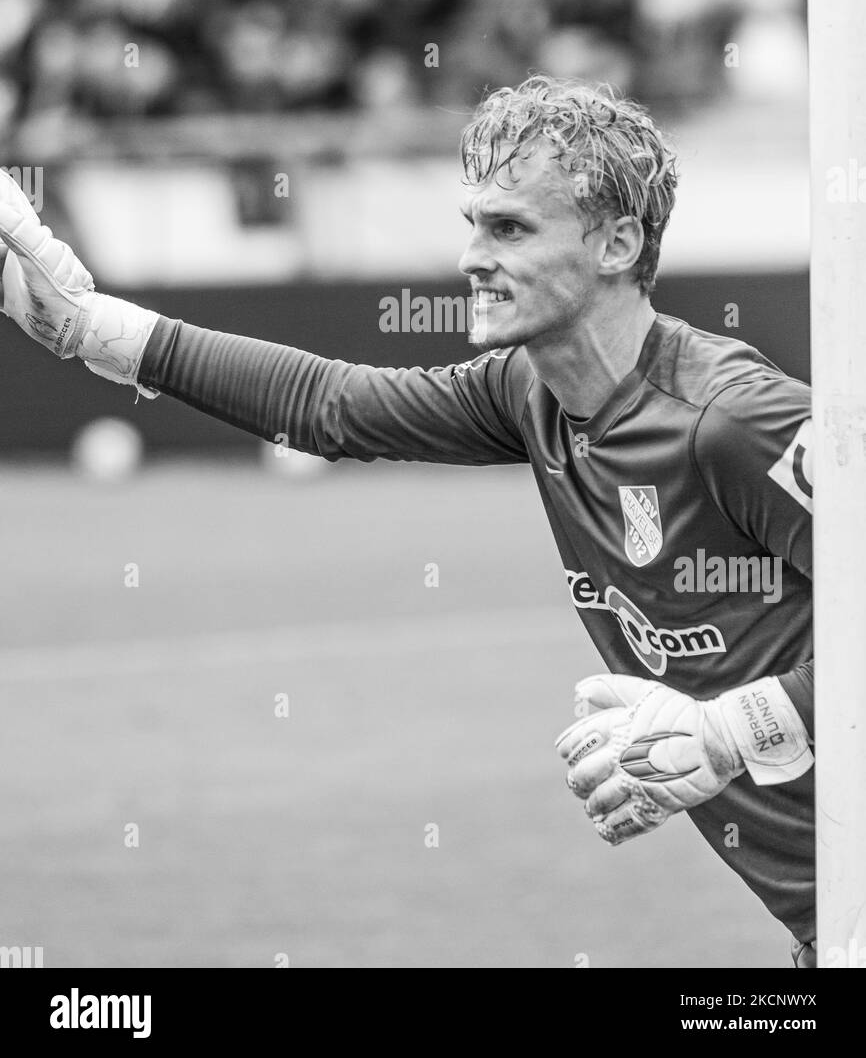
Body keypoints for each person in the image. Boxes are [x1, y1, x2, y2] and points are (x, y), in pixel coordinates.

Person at [0, 75, 815, 966]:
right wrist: (89, 330)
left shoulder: (734, 419)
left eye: (508, 227)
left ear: (618, 243)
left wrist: (736, 731)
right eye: (471, 224)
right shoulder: (528, 393)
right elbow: (331, 404)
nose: (470, 256)